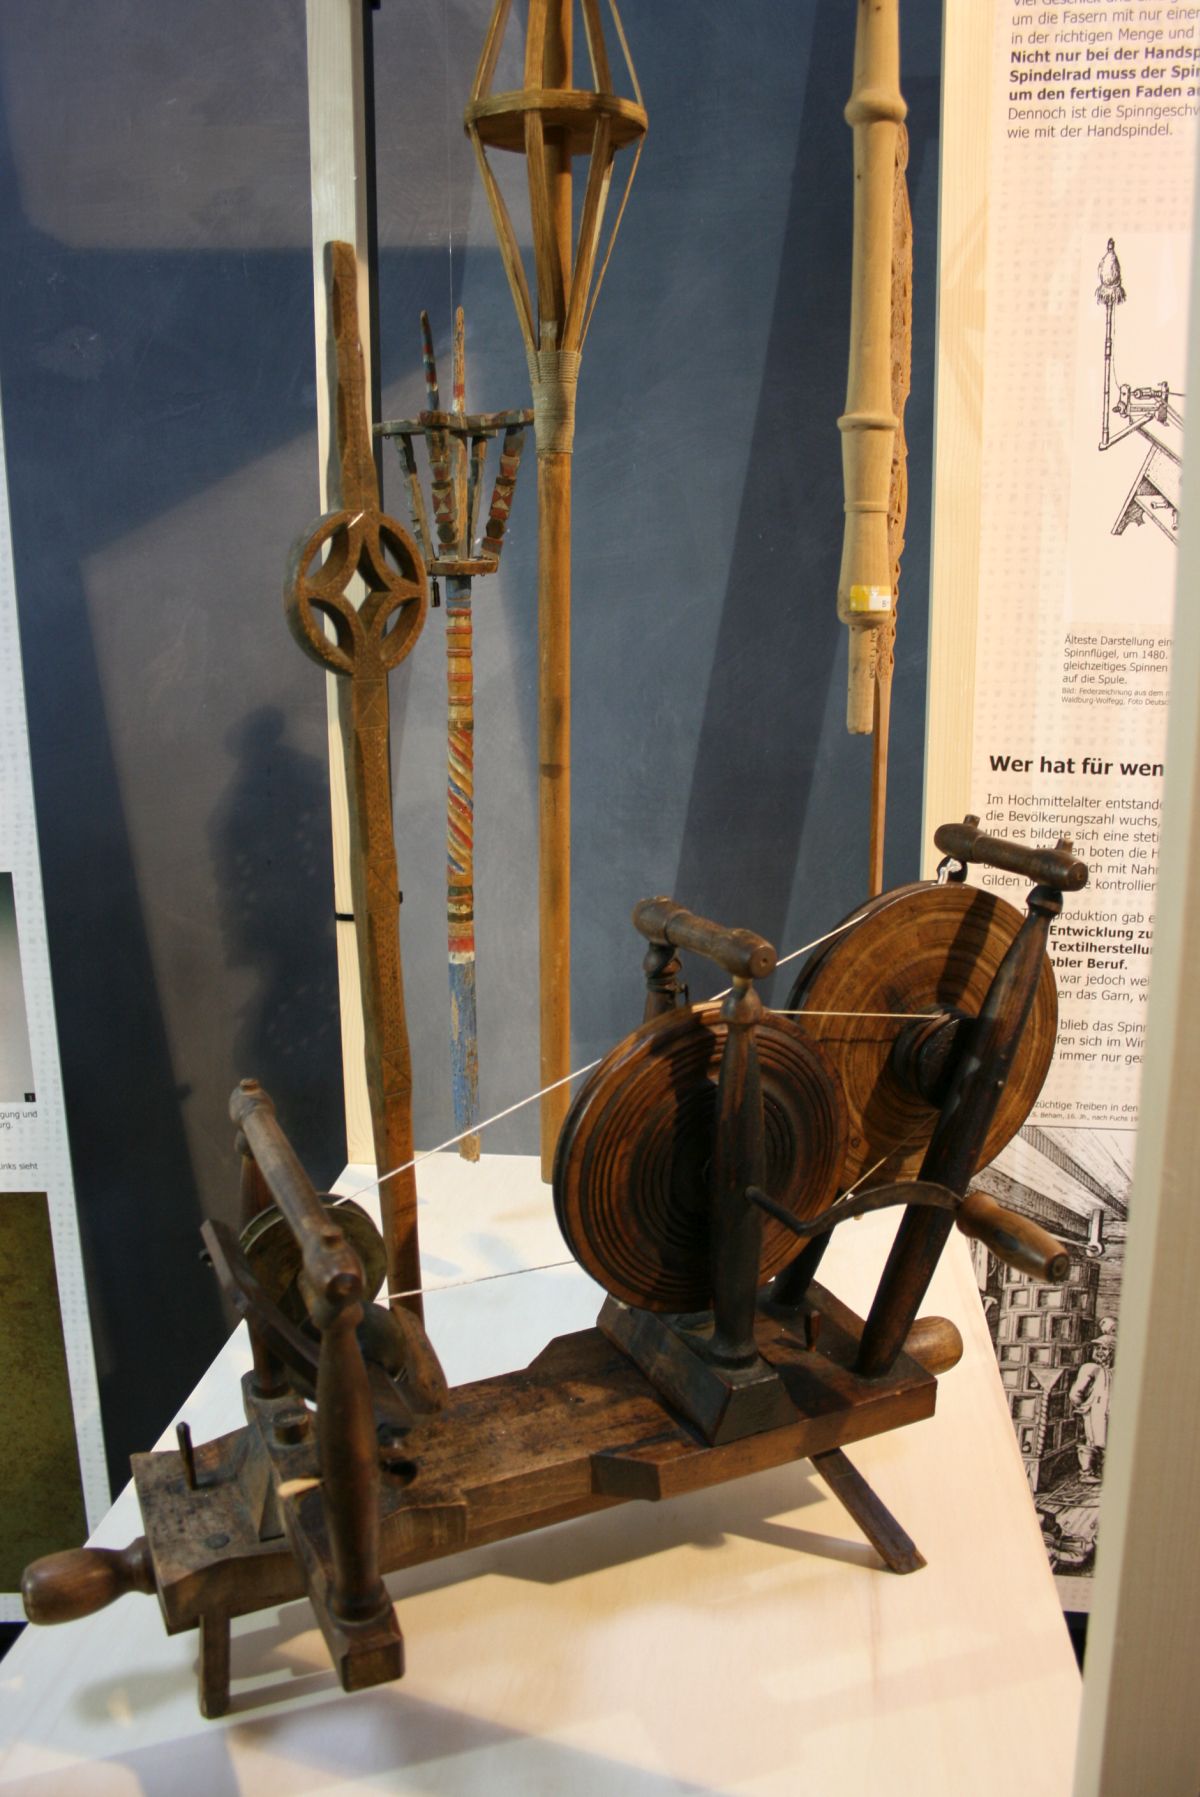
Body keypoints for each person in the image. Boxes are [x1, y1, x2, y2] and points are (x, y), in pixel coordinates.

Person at [1069, 1328, 1115, 1482]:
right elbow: (1075, 1392)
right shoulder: (1091, 1368)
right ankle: (1086, 1473)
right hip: (1094, 1411)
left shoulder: (1115, 1371)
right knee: (1091, 1440)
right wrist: (1082, 1406)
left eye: (1104, 1349)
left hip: (1111, 1411)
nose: (1100, 1352)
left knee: (1108, 1441)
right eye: (1097, 1348)